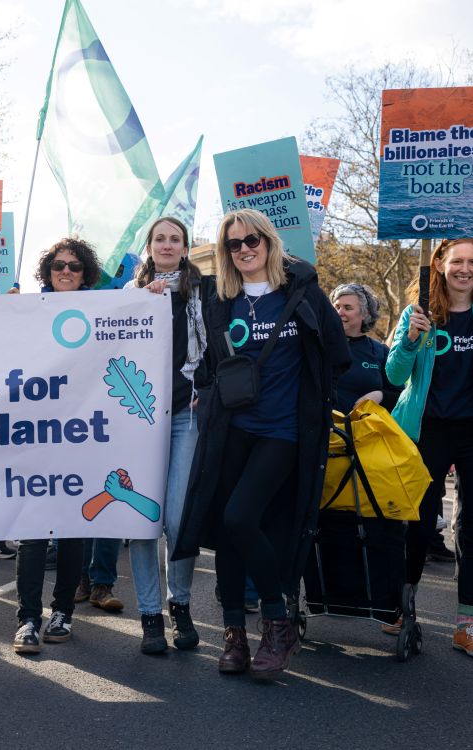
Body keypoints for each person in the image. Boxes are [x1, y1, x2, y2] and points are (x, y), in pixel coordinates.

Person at [175, 208, 349, 679]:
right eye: (234, 244)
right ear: (226, 253)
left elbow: (337, 354)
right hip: (230, 429)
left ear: (269, 243)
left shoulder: (302, 293)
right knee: (231, 532)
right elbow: (200, 351)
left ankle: (277, 621)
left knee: (240, 516)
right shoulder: (218, 298)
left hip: (283, 432)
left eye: (252, 240)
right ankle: (234, 633)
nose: (244, 249)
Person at [385, 237, 473, 656]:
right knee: (419, 522)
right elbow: (395, 373)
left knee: (471, 528)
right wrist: (409, 341)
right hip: (427, 430)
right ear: (439, 264)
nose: (465, 269)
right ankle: (404, 607)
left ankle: (466, 622)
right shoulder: (418, 313)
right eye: (458, 261)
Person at [11, 237, 95, 654]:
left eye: (74, 266)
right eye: (59, 265)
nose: (65, 271)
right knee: (33, 531)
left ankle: (63, 613)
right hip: (36, 435)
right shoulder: (27, 312)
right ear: (47, 271)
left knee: (72, 529)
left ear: (85, 274)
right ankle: (27, 618)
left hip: (82, 437)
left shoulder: (105, 312)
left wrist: (147, 295)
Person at [126, 217, 206, 654]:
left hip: (183, 417)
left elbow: (214, 350)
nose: (167, 245)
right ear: (150, 245)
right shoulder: (128, 297)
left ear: (185, 247)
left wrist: (205, 390)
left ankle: (181, 604)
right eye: (160, 238)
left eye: (176, 239)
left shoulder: (202, 292)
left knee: (177, 519)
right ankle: (149, 614)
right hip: (136, 418)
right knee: (141, 522)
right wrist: (141, 302)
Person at [330, 283, 401, 415]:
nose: (339, 313)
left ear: (365, 313)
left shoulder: (380, 352)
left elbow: (401, 396)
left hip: (365, 432)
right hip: (324, 431)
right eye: (337, 307)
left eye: (347, 308)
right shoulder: (319, 345)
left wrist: (380, 395)